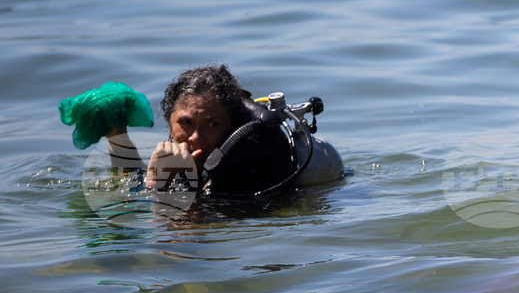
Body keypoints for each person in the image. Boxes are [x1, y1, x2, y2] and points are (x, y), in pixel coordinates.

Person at [104, 64, 342, 197]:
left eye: (213, 124)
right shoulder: (179, 161)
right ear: (169, 124)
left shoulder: (241, 178)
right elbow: (130, 187)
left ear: (231, 129)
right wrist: (117, 138)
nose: (196, 137)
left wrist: (157, 184)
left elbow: (178, 246)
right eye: (186, 122)